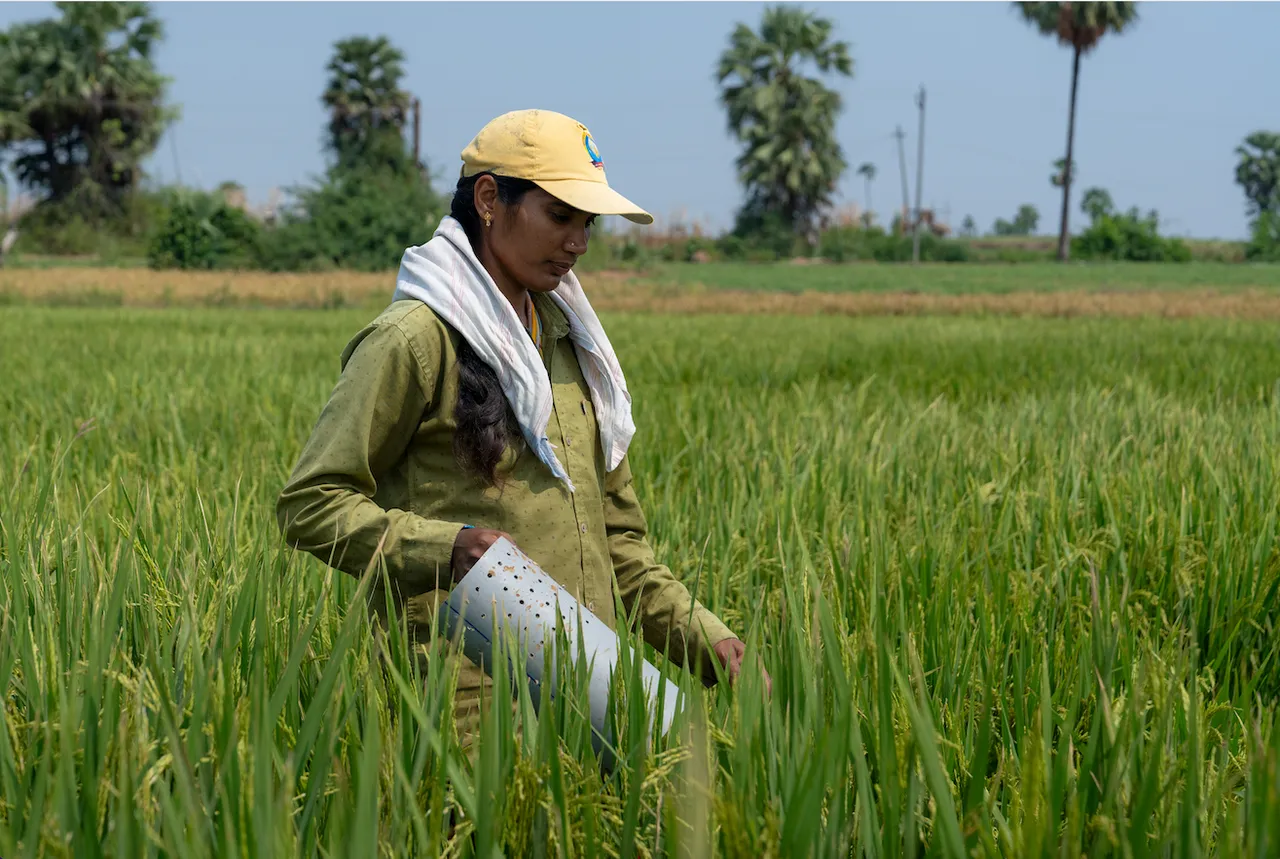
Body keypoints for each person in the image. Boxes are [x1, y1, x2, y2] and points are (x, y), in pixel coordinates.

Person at [276, 109, 769, 750]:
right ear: (489, 199)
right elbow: (309, 504)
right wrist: (446, 549)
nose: (579, 241)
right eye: (559, 216)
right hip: (461, 715)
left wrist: (712, 641)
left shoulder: (574, 349)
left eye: (586, 222)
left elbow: (618, 543)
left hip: (591, 699)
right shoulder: (415, 342)